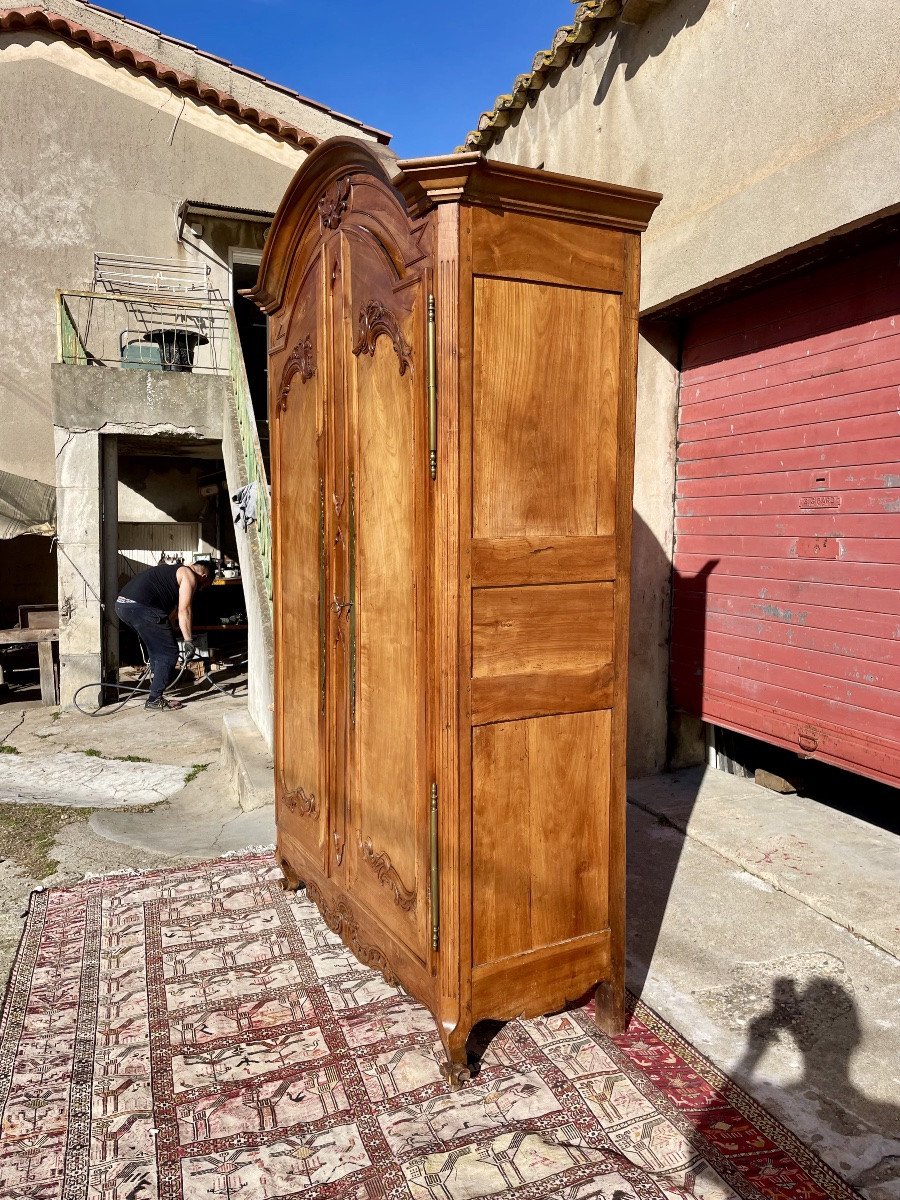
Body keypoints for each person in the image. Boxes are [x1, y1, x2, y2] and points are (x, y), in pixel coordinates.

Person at [114, 559, 213, 711]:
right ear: (204, 577)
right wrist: (188, 641)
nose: (201, 589)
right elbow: (185, 611)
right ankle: (154, 699)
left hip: (122, 606)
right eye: (206, 586)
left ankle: (157, 684)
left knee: (157, 649)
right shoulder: (189, 575)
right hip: (140, 607)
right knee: (168, 653)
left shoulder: (173, 571)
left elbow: (172, 610)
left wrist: (171, 628)